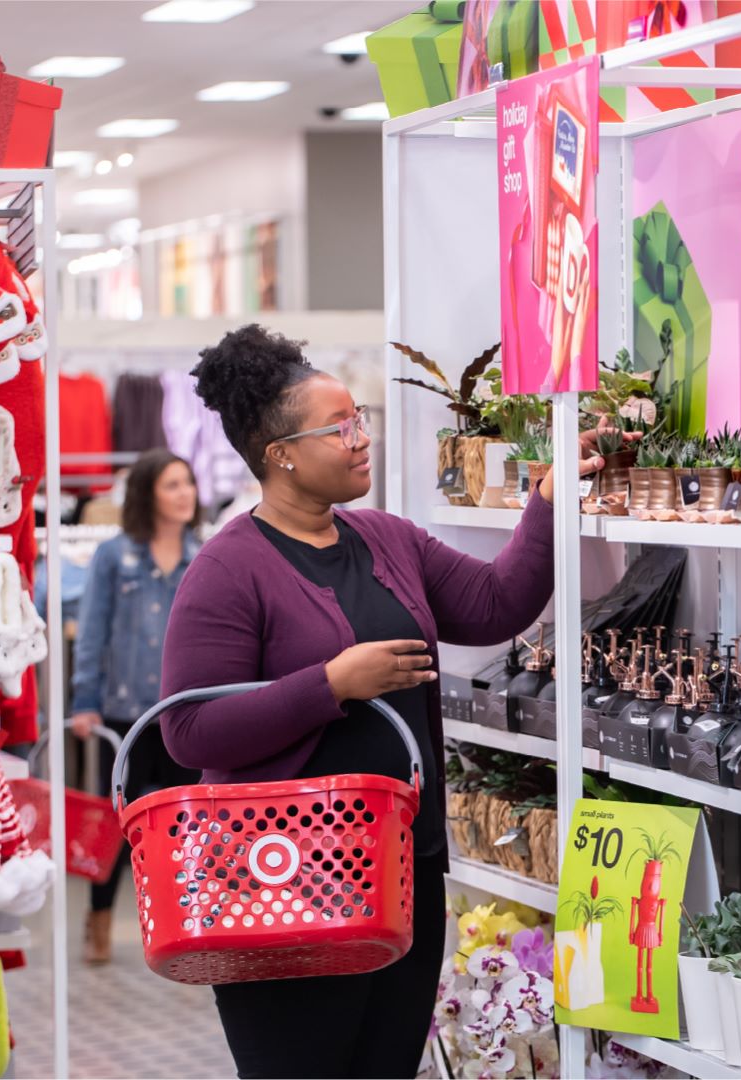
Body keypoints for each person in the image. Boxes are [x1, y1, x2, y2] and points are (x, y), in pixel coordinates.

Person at [160, 324, 613, 1078]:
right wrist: (331, 685)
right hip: (283, 885)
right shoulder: (227, 571)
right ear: (280, 455)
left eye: (359, 418)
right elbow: (189, 730)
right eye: (339, 428)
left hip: (399, 871)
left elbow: (496, 604)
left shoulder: (387, 540)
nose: (360, 438)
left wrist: (546, 499)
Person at [69, 448, 204, 965]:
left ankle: (191, 924)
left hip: (184, 714)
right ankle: (98, 923)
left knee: (190, 823)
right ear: (149, 493)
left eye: (188, 484)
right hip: (124, 715)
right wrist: (85, 699)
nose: (185, 494)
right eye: (173, 485)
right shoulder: (113, 556)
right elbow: (92, 632)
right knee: (117, 824)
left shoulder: (203, 556)